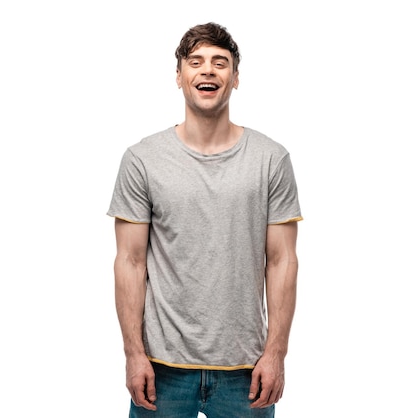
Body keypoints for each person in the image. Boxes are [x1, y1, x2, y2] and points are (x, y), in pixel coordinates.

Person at [107, 22, 303, 417]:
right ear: (179, 76)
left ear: (235, 78)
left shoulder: (270, 159)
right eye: (195, 62)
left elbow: (283, 260)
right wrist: (133, 354)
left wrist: (276, 353)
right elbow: (130, 261)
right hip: (161, 370)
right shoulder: (143, 160)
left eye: (220, 62)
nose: (208, 70)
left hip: (245, 371)